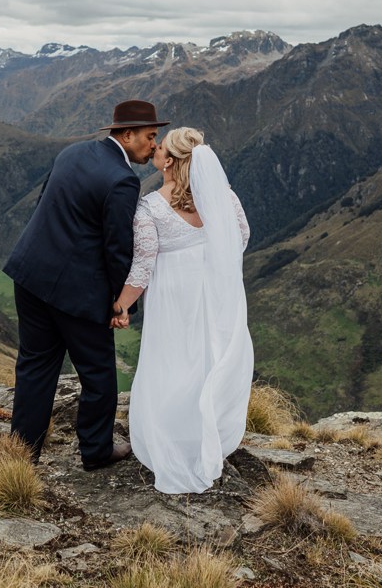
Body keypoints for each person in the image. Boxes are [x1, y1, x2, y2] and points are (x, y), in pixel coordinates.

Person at [4, 99, 168, 470]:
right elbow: (117, 249)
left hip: (30, 276)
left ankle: (21, 457)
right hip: (77, 294)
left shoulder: (72, 153)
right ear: (127, 135)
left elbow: (47, 205)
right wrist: (122, 303)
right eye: (150, 136)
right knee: (98, 374)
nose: (155, 145)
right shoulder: (123, 180)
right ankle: (96, 451)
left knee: (34, 366)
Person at [110, 126, 253, 494]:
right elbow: (242, 236)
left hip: (173, 296)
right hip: (214, 292)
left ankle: (174, 441)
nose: (154, 149)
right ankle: (204, 438)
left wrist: (121, 305)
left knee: (172, 362)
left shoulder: (150, 207)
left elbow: (142, 267)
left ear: (169, 163)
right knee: (208, 359)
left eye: (160, 149)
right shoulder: (224, 197)